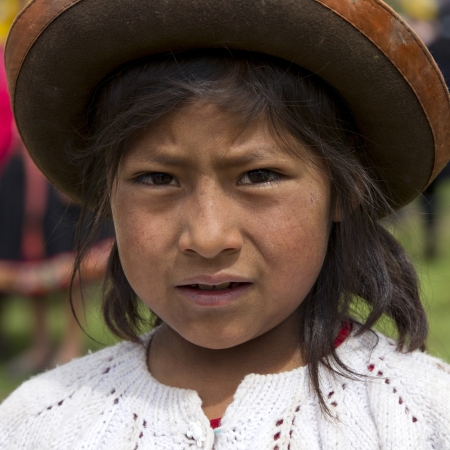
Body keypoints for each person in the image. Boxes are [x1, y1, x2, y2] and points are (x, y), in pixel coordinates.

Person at [1, 0, 450, 448]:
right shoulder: (36, 423)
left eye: (259, 176)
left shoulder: (423, 417)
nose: (208, 238)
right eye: (158, 179)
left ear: (343, 191)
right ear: (107, 195)